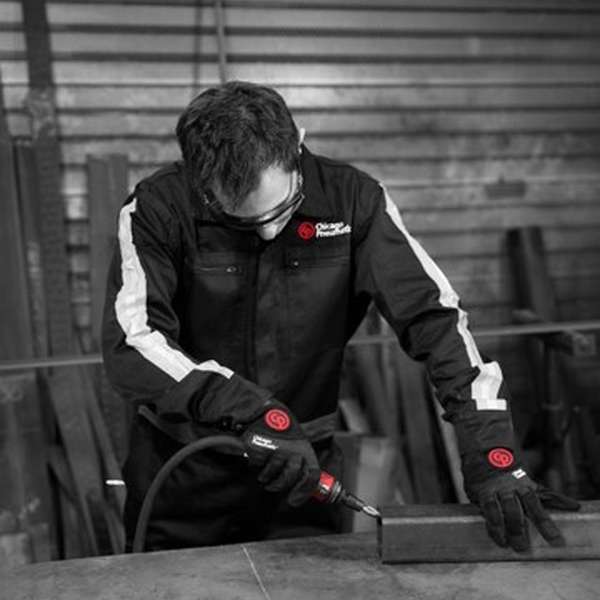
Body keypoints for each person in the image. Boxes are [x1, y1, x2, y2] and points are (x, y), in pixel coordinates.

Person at [102, 81, 579, 552]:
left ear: (298, 143)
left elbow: (434, 318)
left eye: (281, 209)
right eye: (241, 220)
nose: (267, 233)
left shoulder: (354, 200)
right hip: (187, 470)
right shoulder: (157, 209)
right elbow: (134, 339)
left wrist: (490, 446)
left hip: (300, 472)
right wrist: (248, 410)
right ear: (198, 178)